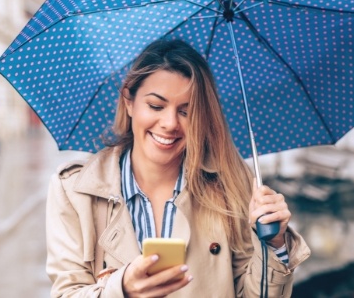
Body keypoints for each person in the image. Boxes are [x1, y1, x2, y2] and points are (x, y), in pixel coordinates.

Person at [46, 39, 310, 297]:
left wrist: (274, 246)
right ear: (129, 101)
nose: (170, 123)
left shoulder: (231, 181)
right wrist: (123, 288)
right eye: (156, 106)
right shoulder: (75, 191)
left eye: (186, 111)